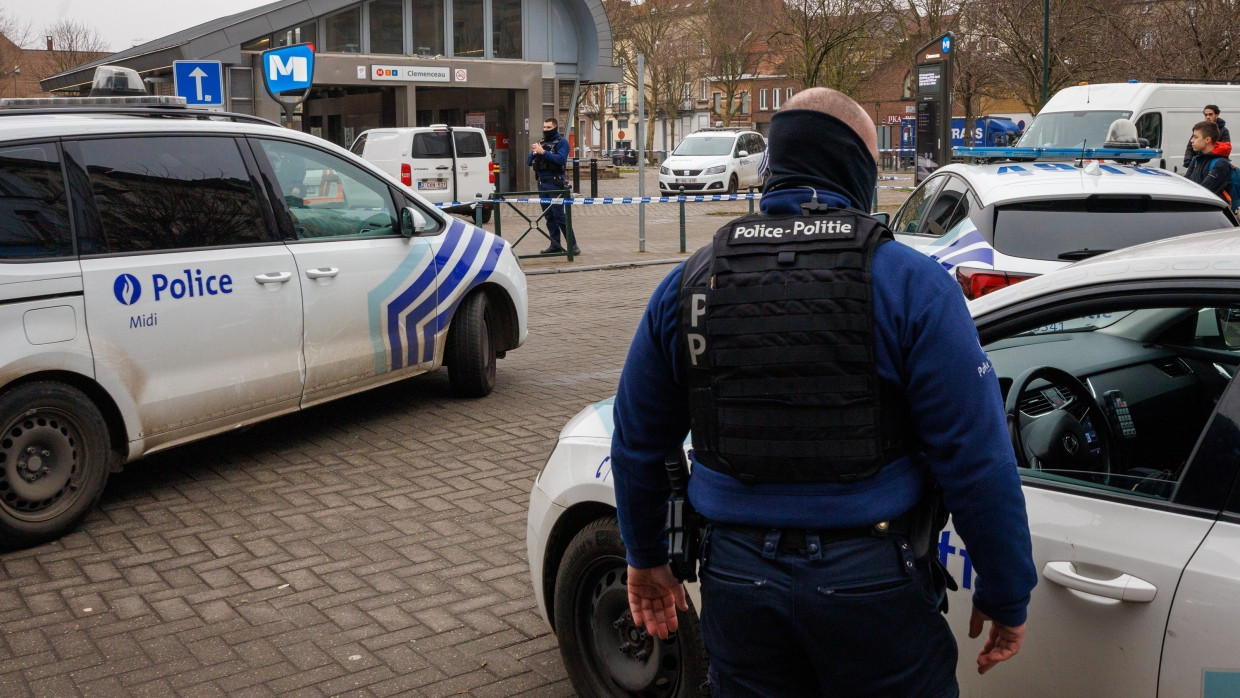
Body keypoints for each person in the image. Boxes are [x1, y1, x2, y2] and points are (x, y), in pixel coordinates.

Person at [610, 87, 1038, 696]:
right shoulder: (910, 283)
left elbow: (636, 443)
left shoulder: (690, 281)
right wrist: (1006, 588)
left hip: (737, 580)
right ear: (855, 167)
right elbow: (976, 457)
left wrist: (646, 556)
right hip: (872, 581)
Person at [526, 117, 578, 255]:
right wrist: (534, 152)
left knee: (559, 215)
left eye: (548, 127)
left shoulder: (562, 143)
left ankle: (573, 245)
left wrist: (543, 152)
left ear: (555, 127)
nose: (546, 130)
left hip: (555, 183)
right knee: (548, 216)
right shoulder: (541, 142)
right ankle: (555, 244)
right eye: (544, 127)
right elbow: (528, 162)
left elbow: (560, 159)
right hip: (542, 184)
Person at [1186, 120, 1232, 202]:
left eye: (1195, 137)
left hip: (1210, 208)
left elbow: (1203, 192)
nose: (1191, 140)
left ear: (1207, 140)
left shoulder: (1221, 164)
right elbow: (1185, 184)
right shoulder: (1196, 159)